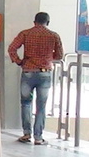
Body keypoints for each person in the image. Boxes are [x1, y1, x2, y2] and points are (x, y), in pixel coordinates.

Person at [8, 12, 63, 145]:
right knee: (41, 106)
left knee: (26, 103)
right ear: (48, 22)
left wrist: (19, 61)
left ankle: (27, 134)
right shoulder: (54, 36)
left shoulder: (25, 34)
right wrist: (48, 58)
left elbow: (12, 48)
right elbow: (60, 55)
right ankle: (38, 137)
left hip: (28, 72)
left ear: (34, 22)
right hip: (45, 73)